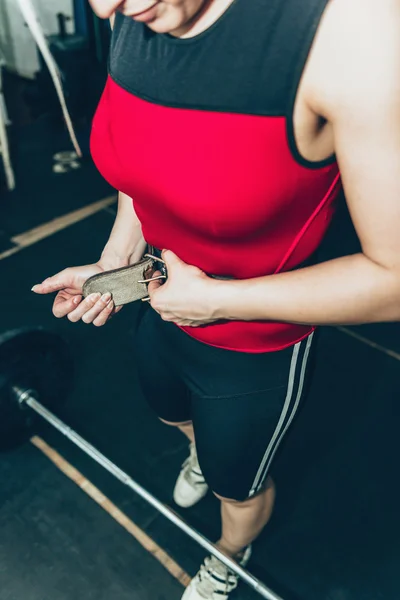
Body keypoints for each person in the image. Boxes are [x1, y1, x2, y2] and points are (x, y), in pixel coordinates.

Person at [32, 1, 400, 598]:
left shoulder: (352, 33)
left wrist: (218, 302)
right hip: (161, 306)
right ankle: (201, 454)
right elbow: (142, 168)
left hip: (253, 346)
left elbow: (395, 279)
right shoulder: (136, 11)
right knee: (173, 416)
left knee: (239, 487)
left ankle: (230, 552)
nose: (104, 7)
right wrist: (116, 261)